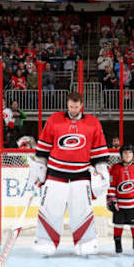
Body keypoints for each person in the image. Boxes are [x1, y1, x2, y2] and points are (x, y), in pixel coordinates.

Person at [30, 92, 109, 256]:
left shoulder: (92, 123)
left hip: (81, 175)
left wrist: (102, 172)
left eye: (76, 106)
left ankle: (86, 243)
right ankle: (45, 242)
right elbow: (43, 148)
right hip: (55, 174)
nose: (73, 109)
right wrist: (39, 168)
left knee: (82, 210)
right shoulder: (54, 120)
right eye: (71, 106)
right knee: (50, 209)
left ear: (81, 105)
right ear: (67, 104)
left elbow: (99, 152)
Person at [107, 144, 134, 254]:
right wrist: (112, 200)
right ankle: (118, 243)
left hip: (133, 204)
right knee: (118, 224)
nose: (128, 155)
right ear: (121, 155)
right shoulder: (115, 168)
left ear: (133, 155)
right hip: (119, 205)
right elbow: (111, 186)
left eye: (130, 152)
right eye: (125, 153)